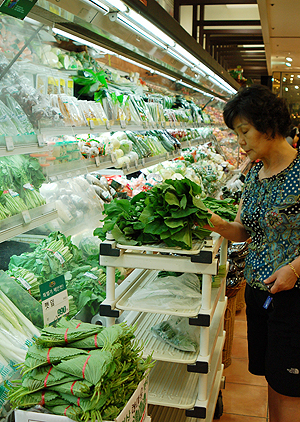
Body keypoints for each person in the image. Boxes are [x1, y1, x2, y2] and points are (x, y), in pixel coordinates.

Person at [204, 84, 300, 422]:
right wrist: (208, 221)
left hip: (293, 296)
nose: (240, 141)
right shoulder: (255, 175)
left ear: (269, 126)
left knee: (290, 387)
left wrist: (296, 270)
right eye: (236, 133)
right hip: (259, 293)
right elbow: (243, 230)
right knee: (273, 378)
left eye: (244, 131)